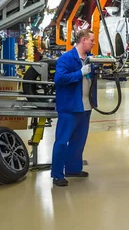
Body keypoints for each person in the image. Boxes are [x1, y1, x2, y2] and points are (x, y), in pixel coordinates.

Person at [51, 29, 97, 187]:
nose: (93, 42)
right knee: (62, 141)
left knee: (79, 141)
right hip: (70, 107)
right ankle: (57, 174)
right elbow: (59, 78)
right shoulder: (67, 58)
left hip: (85, 106)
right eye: (91, 40)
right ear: (83, 40)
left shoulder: (89, 60)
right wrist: (80, 73)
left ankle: (73, 169)